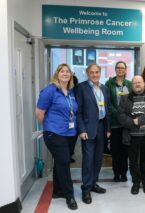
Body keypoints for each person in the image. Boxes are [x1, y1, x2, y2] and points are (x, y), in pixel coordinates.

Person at [35, 64, 78, 210]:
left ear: (71, 75)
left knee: (60, 162)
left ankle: (57, 191)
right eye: (62, 71)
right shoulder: (50, 90)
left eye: (68, 71)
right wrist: (48, 126)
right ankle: (69, 195)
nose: (65, 73)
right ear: (57, 74)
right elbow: (39, 112)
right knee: (64, 162)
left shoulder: (70, 91)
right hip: (54, 133)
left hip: (70, 133)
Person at [118, 75, 145, 195]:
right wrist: (133, 122)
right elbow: (120, 115)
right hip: (131, 136)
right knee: (133, 162)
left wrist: (140, 120)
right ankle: (136, 183)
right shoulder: (125, 98)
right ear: (132, 85)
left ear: (144, 84)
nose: (137, 84)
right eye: (135, 83)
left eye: (139, 82)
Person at [76, 64, 111, 204]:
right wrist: (82, 130)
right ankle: (85, 189)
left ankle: (93, 183)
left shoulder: (104, 88)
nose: (95, 74)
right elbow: (78, 112)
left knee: (98, 159)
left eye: (97, 72)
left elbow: (107, 109)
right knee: (88, 160)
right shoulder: (81, 87)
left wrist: (108, 129)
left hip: (102, 127)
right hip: (88, 129)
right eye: (92, 72)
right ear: (87, 73)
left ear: (100, 73)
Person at [105, 61, 132, 182]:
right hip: (115, 122)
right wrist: (118, 113)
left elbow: (131, 101)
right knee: (115, 150)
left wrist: (124, 116)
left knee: (125, 150)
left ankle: (124, 173)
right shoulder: (109, 83)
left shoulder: (129, 84)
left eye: (122, 68)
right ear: (115, 70)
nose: (120, 70)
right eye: (118, 68)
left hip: (126, 123)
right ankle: (116, 173)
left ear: (125, 70)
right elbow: (108, 102)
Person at [69, 74, 78, 163]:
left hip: (74, 123)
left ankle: (70, 154)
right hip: (64, 123)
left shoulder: (76, 91)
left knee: (73, 141)